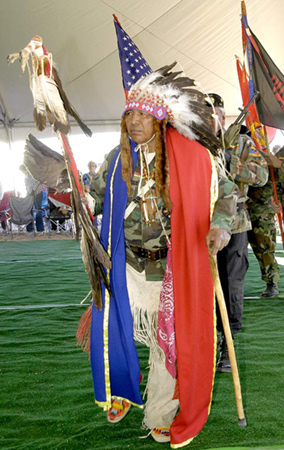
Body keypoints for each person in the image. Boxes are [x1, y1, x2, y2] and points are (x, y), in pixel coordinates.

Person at [80, 65, 238, 447]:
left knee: (165, 342)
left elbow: (227, 193)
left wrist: (220, 227)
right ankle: (120, 388)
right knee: (112, 328)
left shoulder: (192, 156)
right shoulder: (117, 159)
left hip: (172, 268)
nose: (134, 122)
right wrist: (77, 196)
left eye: (142, 115)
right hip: (124, 265)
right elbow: (94, 196)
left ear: (160, 118)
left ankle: (160, 413)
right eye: (129, 115)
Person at [208, 94, 268, 372]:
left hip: (234, 224)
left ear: (222, 116)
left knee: (230, 283)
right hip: (195, 225)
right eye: (204, 112)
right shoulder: (190, 142)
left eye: (215, 113)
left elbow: (261, 175)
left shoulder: (240, 142)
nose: (210, 118)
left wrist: (229, 160)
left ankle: (226, 343)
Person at [246, 148, 281, 298]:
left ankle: (272, 283)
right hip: (237, 208)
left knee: (265, 249)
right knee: (235, 252)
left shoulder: (272, 163)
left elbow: (276, 188)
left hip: (261, 212)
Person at [19, 164, 46, 234]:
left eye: (23, 170)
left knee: (38, 210)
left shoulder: (34, 172)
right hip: (29, 193)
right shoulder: (25, 175)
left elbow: (42, 181)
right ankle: (29, 229)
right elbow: (27, 185)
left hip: (38, 192)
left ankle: (40, 230)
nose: (22, 172)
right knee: (29, 211)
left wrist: (37, 189)